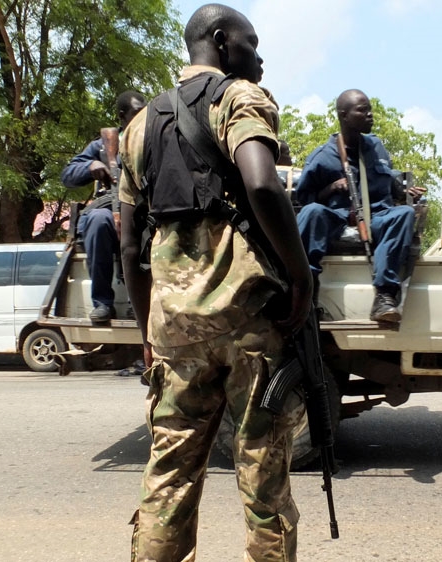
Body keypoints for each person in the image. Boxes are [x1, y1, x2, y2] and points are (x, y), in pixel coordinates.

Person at [116, 4, 312, 561]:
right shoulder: (238, 98)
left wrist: (148, 329)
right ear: (223, 41)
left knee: (168, 479)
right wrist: (299, 277)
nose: (260, 58)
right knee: (264, 478)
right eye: (252, 44)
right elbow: (263, 185)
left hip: (175, 330)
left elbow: (131, 248)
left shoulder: (138, 127)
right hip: (249, 325)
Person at [294, 89, 425, 323]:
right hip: (339, 219)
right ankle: (305, 293)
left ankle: (384, 298)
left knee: (404, 213)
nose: (370, 115)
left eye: (370, 109)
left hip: (377, 216)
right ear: (344, 115)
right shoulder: (322, 157)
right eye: (362, 110)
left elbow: (388, 181)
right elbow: (304, 198)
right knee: (311, 212)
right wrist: (331, 188)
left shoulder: (376, 147)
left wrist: (403, 192)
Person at [60, 90, 147, 322]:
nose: (142, 118)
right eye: (137, 113)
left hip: (141, 211)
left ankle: (140, 303)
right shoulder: (101, 146)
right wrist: (90, 167)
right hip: (107, 211)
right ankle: (103, 303)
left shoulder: (152, 141)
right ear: (122, 116)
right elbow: (67, 175)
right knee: (98, 221)